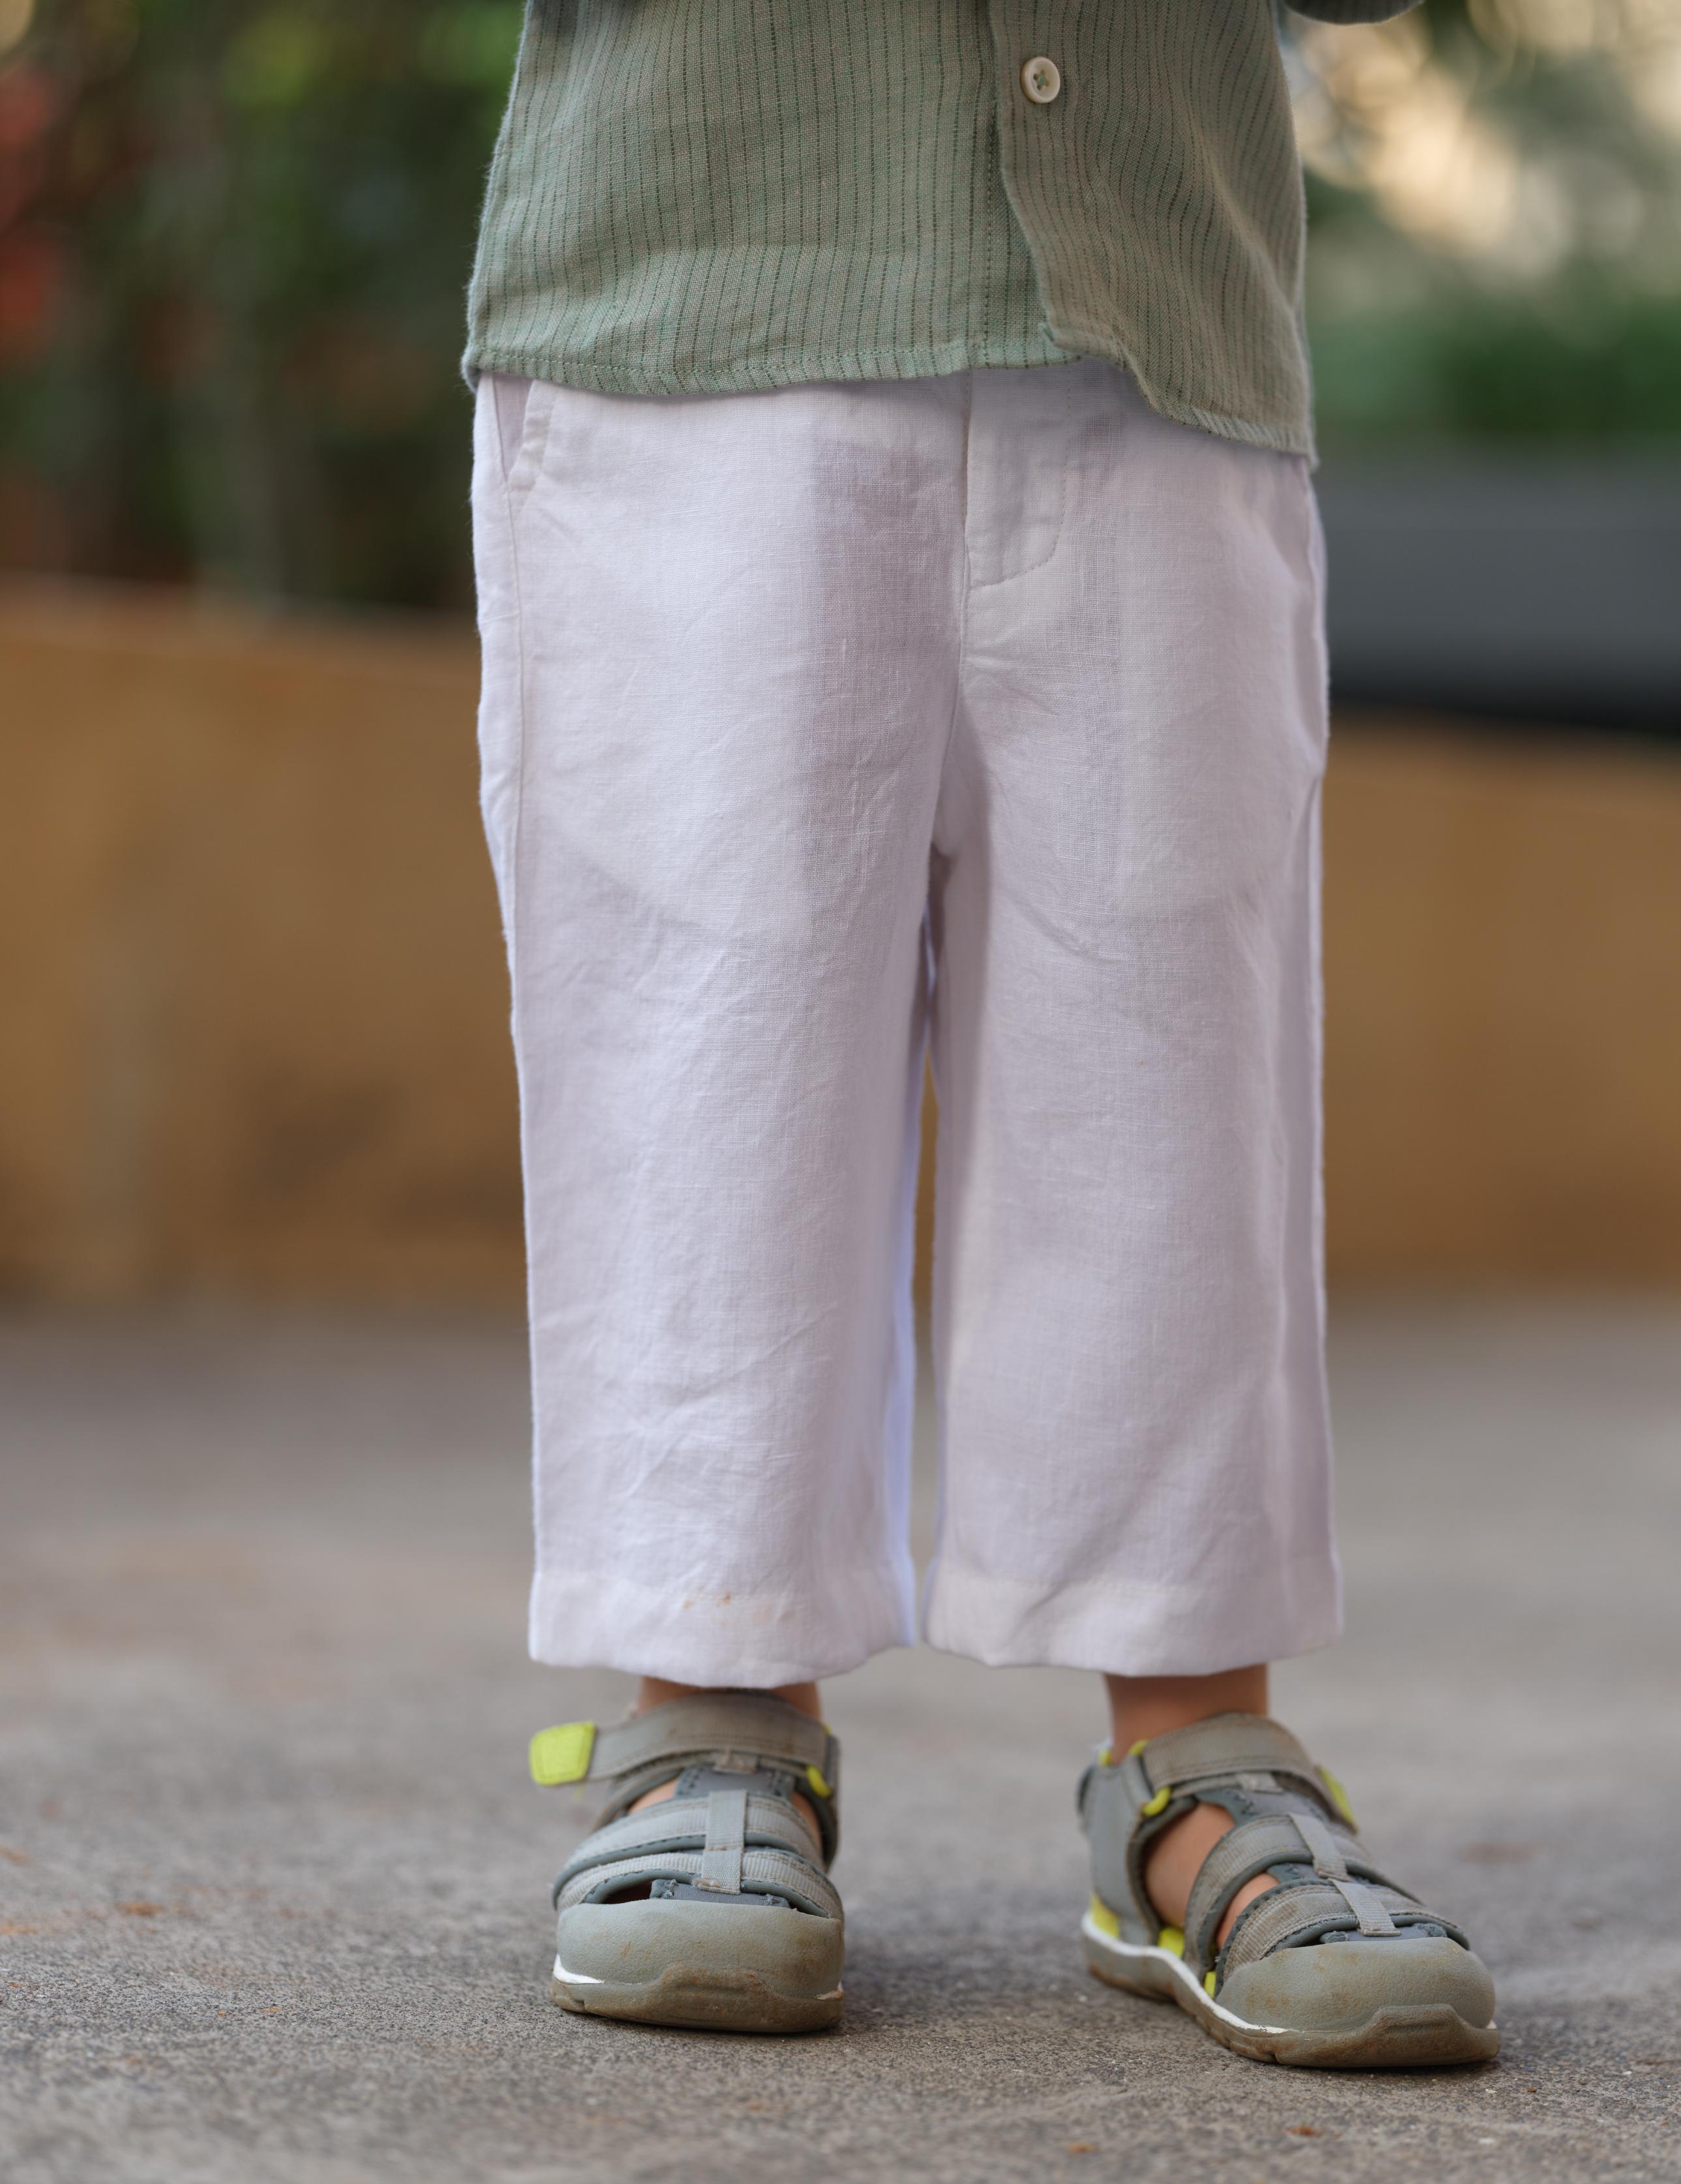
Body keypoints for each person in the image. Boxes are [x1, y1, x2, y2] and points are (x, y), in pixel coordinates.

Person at [463, 0, 1497, 2067]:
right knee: (704, 1068)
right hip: (700, 297)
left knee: (1171, 1090)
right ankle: (706, 1718)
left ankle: (1194, 1765)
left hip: (1157, 322)